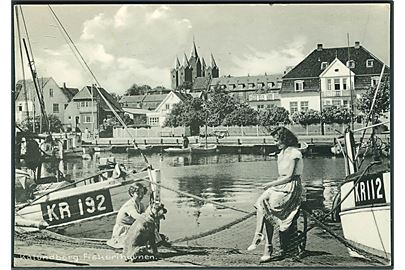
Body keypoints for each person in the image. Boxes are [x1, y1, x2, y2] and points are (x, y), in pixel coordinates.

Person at [247, 127, 303, 263]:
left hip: (291, 187)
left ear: (285, 139)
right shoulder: (281, 153)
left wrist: (271, 184)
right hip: (280, 185)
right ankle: (259, 235)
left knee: (270, 205)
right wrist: (274, 185)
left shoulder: (295, 153)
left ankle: (268, 247)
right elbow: (281, 175)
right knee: (261, 203)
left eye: (277, 140)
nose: (275, 143)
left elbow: (289, 177)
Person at [107, 183, 148, 249]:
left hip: (130, 228)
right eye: (138, 193)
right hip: (122, 230)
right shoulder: (129, 205)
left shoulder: (141, 205)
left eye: (142, 193)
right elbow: (136, 216)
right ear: (132, 194)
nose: (141, 195)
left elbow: (144, 215)